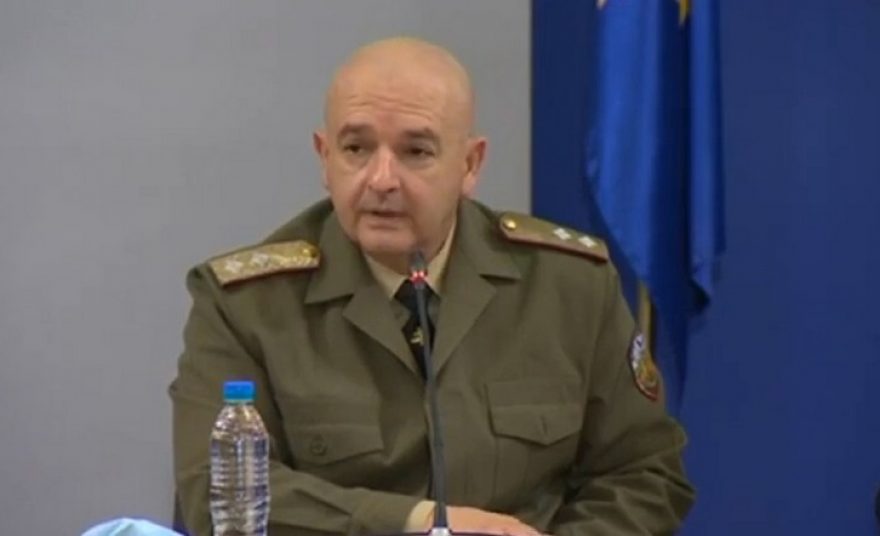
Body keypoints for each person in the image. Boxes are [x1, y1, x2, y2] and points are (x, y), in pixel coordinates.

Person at [170, 37, 695, 536]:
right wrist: (415, 522)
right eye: (356, 148)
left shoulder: (569, 287)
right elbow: (217, 497)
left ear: (470, 164)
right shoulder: (245, 306)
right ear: (324, 157)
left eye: (416, 152)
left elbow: (644, 473)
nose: (381, 179)